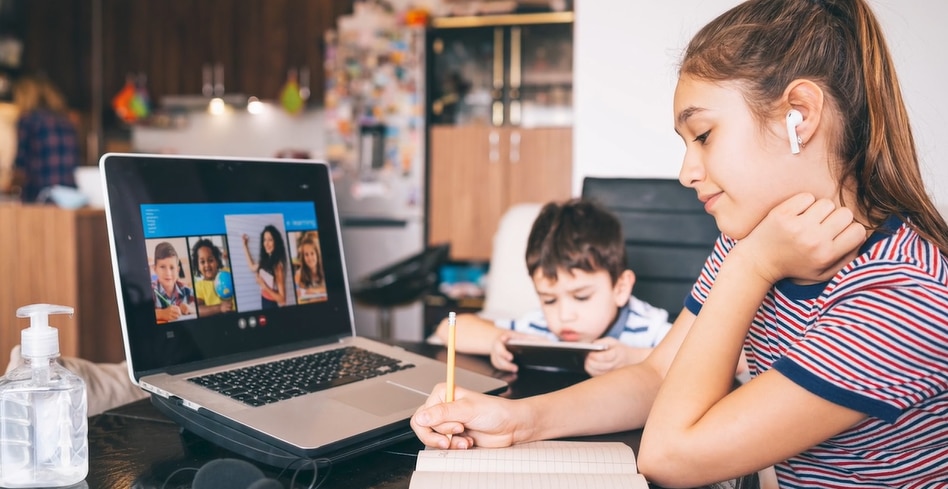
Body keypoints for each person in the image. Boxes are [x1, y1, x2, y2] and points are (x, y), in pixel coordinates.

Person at [410, 0, 948, 487]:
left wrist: (750, 267)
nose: (688, 172)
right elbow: (657, 375)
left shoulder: (905, 292)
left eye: (704, 135)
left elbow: (670, 455)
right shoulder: (758, 236)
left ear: (799, 115)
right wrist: (520, 421)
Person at [432, 199, 673, 377]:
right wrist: (497, 341)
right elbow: (448, 330)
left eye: (581, 297)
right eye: (549, 300)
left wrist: (636, 358)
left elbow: (703, 360)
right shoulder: (540, 329)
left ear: (620, 288)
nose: (564, 315)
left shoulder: (647, 328)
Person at [11, 74, 80, 202]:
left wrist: (11, 183)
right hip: (69, 195)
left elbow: (21, 162)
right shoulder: (66, 121)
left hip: (40, 193)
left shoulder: (28, 120)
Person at [242, 225, 288, 309]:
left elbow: (282, 300)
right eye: (264, 240)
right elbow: (252, 267)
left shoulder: (277, 266)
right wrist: (245, 245)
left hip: (271, 305)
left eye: (270, 240)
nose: (266, 243)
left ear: (276, 242)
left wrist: (264, 286)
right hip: (264, 301)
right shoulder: (265, 261)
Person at [190, 238, 235, 316]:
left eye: (210, 260)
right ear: (198, 266)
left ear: (217, 261)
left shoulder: (227, 271)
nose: (207, 265)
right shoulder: (199, 286)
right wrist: (219, 307)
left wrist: (232, 257)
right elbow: (197, 309)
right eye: (202, 262)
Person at [152, 241, 195, 322]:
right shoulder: (151, 291)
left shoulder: (186, 289)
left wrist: (191, 309)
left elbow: (200, 307)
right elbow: (141, 314)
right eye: (162, 267)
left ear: (177, 270)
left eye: (172, 268)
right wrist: (161, 313)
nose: (168, 273)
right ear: (155, 269)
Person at [294, 233, 328, 303]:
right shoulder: (299, 274)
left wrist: (314, 291)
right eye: (306, 254)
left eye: (312, 253)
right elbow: (297, 295)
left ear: (317, 254)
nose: (309, 258)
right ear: (303, 257)